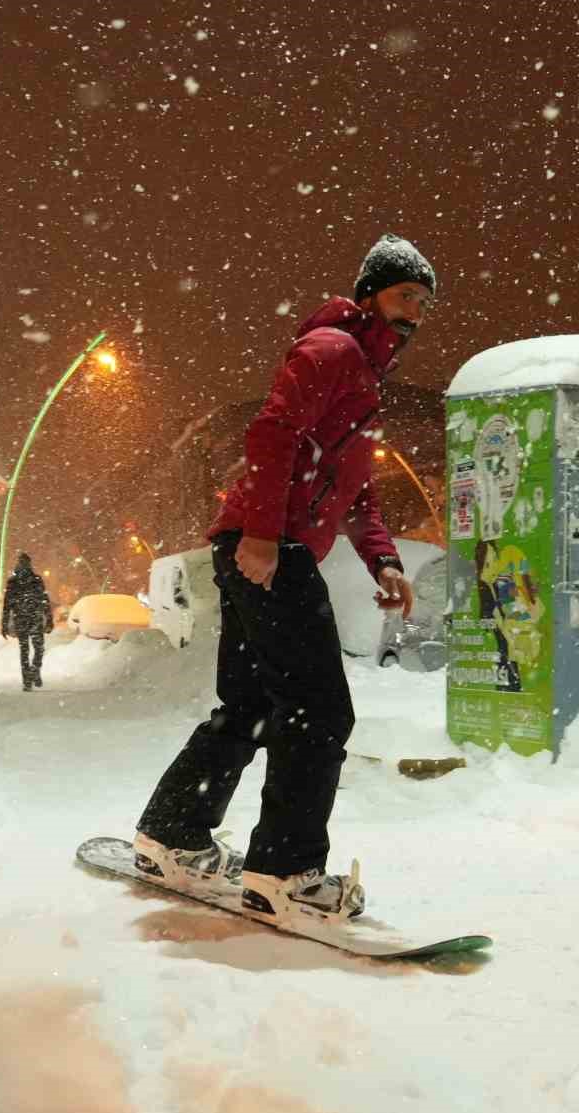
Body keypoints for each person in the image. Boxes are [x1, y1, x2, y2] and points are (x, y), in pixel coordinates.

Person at [132, 234, 433, 923]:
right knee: (319, 709)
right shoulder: (334, 352)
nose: (414, 311)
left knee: (253, 705)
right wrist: (266, 534)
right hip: (272, 547)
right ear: (368, 295)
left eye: (423, 301)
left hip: (261, 543)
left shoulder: (364, 377)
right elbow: (273, 433)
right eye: (403, 294)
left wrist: (382, 558)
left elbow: (356, 491)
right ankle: (286, 872)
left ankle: (172, 832)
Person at [2, 553, 53, 690]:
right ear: (30, 564)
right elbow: (45, 600)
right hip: (34, 618)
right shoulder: (36, 580)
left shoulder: (12, 582)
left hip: (21, 619)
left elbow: (7, 605)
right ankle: (35, 670)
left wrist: (4, 623)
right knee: (39, 648)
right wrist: (49, 619)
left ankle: (27, 681)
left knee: (24, 650)